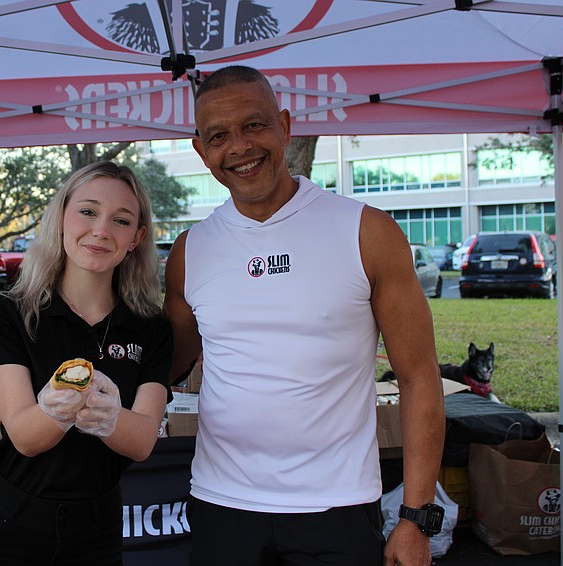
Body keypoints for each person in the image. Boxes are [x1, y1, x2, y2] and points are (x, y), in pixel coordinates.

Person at [164, 65, 446, 566]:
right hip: (222, 505)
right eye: (219, 136)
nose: (240, 147)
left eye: (254, 125)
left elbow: (420, 377)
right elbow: (166, 365)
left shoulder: (366, 232)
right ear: (201, 150)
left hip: (336, 507)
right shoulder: (191, 251)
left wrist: (416, 516)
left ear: (285, 126)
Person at [0, 161, 172, 565]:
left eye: (121, 220)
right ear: (60, 218)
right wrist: (54, 410)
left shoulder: (151, 327)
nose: (101, 230)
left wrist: (109, 417)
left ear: (136, 238)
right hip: (11, 520)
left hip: (98, 525)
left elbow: (143, 440)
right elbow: (25, 436)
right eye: (88, 211)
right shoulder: (7, 313)